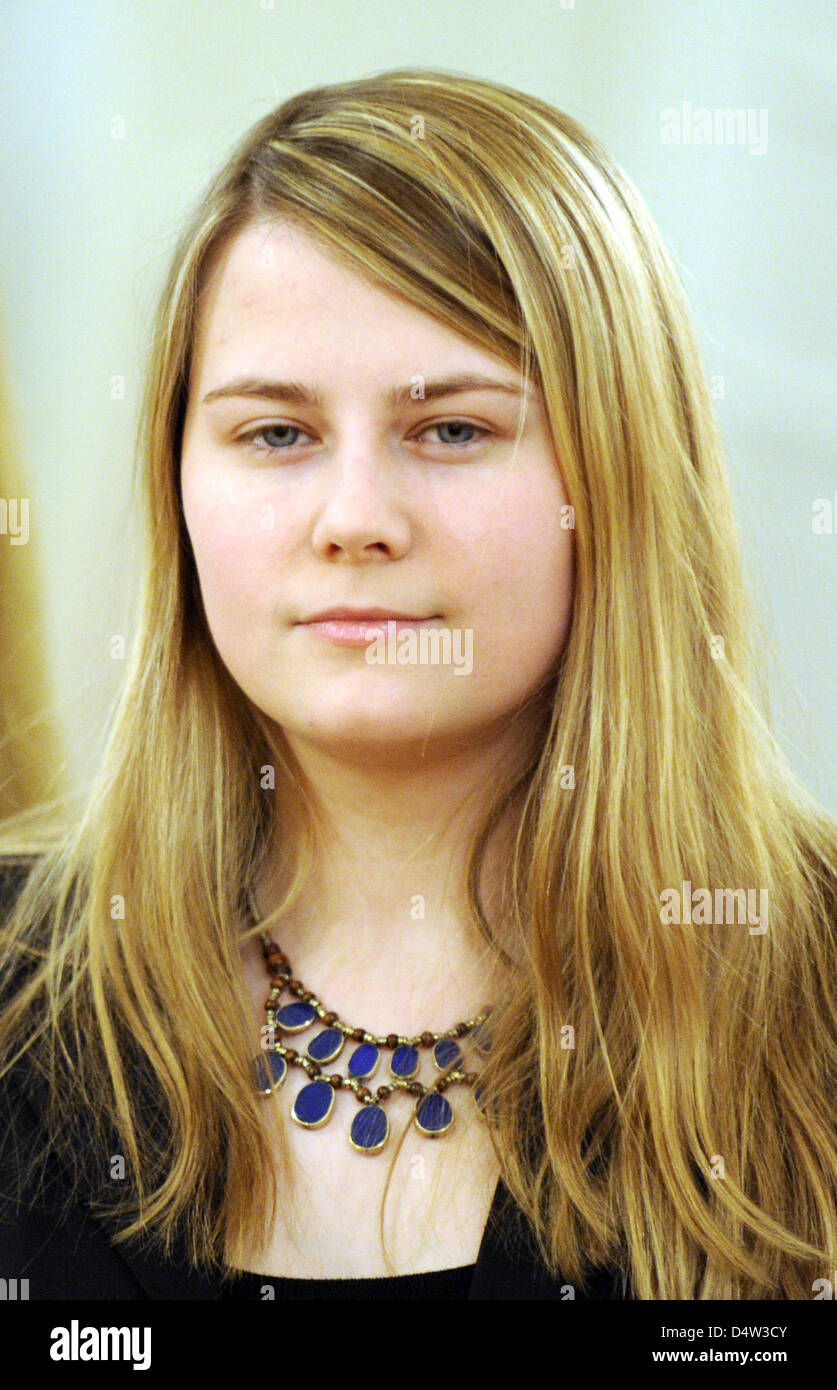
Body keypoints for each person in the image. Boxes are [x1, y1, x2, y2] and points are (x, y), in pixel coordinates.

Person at [1, 67, 836, 1303]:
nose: (354, 520)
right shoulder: (21, 988)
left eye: (451, 429)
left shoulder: (810, 989)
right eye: (274, 434)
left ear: (616, 476)